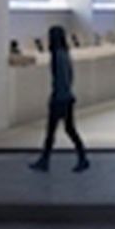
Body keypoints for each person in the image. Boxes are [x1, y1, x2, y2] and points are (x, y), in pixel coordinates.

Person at [30, 25, 89, 172]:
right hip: (67, 97)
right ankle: (81, 157)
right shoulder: (65, 53)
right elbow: (68, 77)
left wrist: (56, 96)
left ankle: (45, 160)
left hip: (59, 99)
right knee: (69, 129)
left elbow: (60, 79)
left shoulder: (57, 55)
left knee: (52, 132)